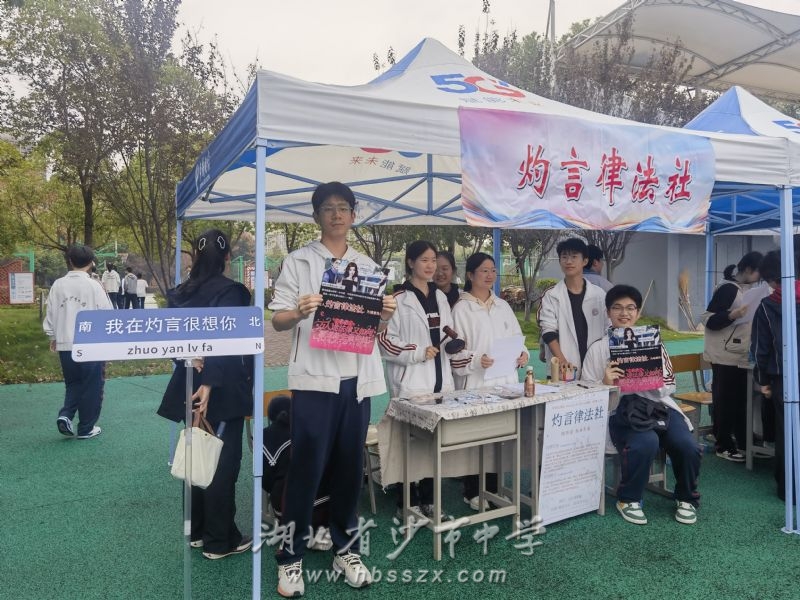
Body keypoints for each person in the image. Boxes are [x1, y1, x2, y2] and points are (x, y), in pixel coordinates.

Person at [268, 181, 396, 597]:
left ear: (354, 215)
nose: (337, 214)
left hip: (357, 382)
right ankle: (290, 556)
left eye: (343, 207)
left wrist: (385, 314)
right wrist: (298, 311)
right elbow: (278, 320)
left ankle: (346, 548)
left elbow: (371, 328)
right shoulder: (299, 261)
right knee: (305, 468)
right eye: (328, 208)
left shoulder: (368, 265)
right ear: (316, 215)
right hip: (315, 380)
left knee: (349, 468)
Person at [157, 229, 254, 561]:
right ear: (227, 258)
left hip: (188, 384)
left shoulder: (179, 293)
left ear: (196, 256)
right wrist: (210, 382)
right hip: (220, 390)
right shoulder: (232, 292)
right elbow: (228, 343)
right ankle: (219, 540)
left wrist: (192, 363)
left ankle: (197, 530)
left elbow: (172, 343)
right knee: (221, 463)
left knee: (196, 454)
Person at [582, 284, 701, 526]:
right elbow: (586, 390)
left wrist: (652, 380)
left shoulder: (654, 343)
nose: (624, 313)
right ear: (608, 312)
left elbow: (670, 384)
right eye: (617, 308)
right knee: (646, 442)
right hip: (621, 411)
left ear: (637, 313)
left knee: (687, 445)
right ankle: (628, 498)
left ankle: (686, 497)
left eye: (630, 308)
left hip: (659, 406)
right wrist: (606, 383)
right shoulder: (598, 349)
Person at [378, 240, 456, 518]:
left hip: (440, 382)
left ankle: (430, 501)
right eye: (424, 260)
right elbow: (385, 342)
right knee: (408, 445)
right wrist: (418, 352)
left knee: (433, 445)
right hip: (411, 383)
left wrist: (454, 344)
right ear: (410, 263)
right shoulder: (398, 299)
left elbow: (447, 331)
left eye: (433, 260)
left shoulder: (441, 297)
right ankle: (406, 503)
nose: (431, 266)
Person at [450, 252, 528, 509]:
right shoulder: (461, 309)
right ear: (470, 275)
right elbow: (454, 352)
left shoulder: (502, 305)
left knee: (499, 438)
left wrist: (523, 354)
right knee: (476, 439)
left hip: (504, 381)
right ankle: (472, 491)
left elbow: (517, 337)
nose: (490, 275)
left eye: (493, 270)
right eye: (484, 270)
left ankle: (494, 489)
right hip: (476, 384)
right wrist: (476, 359)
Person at [44, 244, 114, 439]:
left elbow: (51, 312)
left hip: (65, 342)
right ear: (91, 263)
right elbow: (107, 314)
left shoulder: (58, 284)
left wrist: (52, 336)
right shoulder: (94, 285)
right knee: (92, 385)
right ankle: (86, 428)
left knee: (73, 383)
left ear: (70, 261)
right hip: (90, 344)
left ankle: (66, 415)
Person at [702, 251, 762, 462]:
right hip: (724, 354)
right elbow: (709, 320)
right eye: (759, 273)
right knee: (726, 401)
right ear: (748, 269)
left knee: (739, 400)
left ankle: (743, 441)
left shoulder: (745, 289)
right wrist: (732, 315)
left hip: (738, 353)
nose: (759, 278)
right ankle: (724, 444)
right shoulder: (728, 289)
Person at [750, 250, 799, 500]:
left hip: (784, 378)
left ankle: (789, 488)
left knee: (787, 432)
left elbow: (761, 348)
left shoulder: (768, 306)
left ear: (771, 278)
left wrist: (763, 381)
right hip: (784, 377)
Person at [262, 395, 332, 550]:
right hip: (318, 503)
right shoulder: (308, 431)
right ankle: (319, 532)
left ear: (271, 415)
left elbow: (265, 481)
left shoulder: (262, 436)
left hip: (282, 505)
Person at [538, 237, 607, 378]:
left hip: (595, 368)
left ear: (585, 261)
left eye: (574, 257)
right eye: (564, 257)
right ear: (560, 261)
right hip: (563, 369)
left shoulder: (600, 295)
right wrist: (562, 361)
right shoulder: (551, 295)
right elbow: (548, 331)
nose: (568, 261)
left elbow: (608, 328)